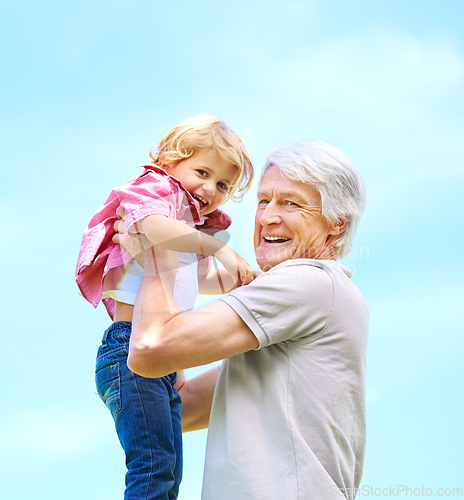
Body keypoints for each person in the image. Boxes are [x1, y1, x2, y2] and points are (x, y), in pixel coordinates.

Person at [116, 140, 369, 500]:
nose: (267, 217)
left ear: (336, 225)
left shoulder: (307, 281)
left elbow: (149, 350)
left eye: (291, 203)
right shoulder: (303, 310)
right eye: (264, 200)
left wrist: (160, 246)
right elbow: (180, 406)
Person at [75, 114, 255, 499]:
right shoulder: (156, 191)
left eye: (222, 183)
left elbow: (200, 280)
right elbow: (151, 228)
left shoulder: (187, 224)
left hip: (162, 361)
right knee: (153, 465)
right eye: (202, 172)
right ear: (169, 161)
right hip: (128, 351)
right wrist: (220, 246)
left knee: (168, 471)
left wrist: (242, 280)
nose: (210, 188)